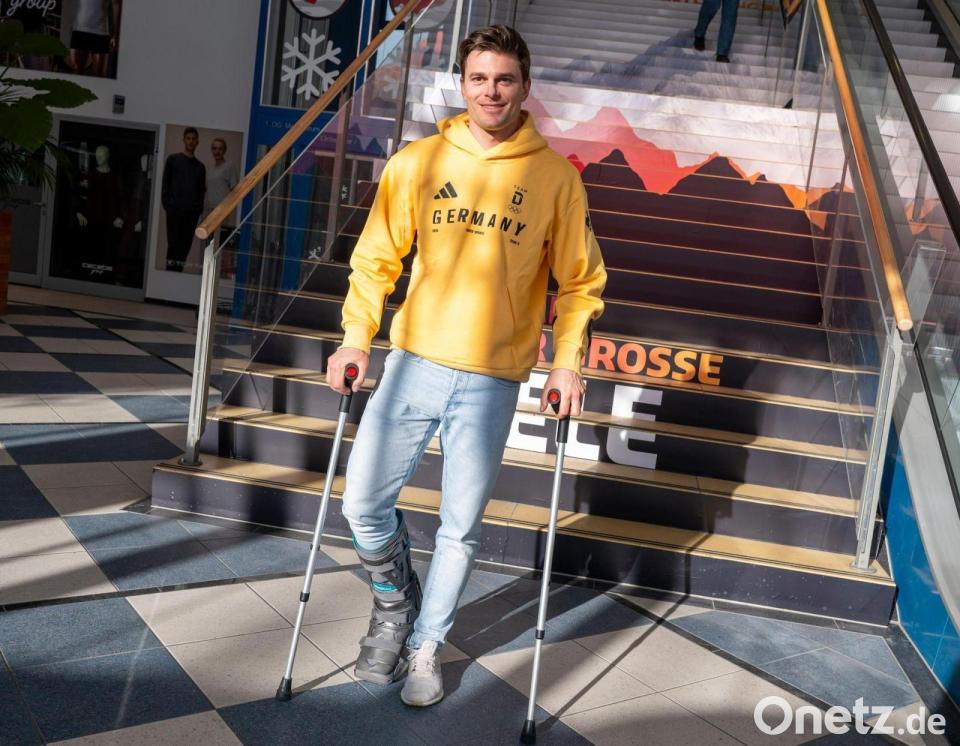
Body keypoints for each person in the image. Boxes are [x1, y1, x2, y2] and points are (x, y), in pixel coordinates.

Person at [325, 25, 606, 708]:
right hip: (414, 361)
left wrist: (567, 363)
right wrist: (356, 339)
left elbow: (580, 284)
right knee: (361, 503)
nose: (491, 91)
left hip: (492, 378)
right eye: (479, 78)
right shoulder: (417, 161)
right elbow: (375, 261)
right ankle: (394, 600)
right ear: (462, 83)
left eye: (504, 79)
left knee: (459, 527)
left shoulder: (556, 178)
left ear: (525, 87)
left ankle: (425, 646)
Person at [161, 127, 206, 272]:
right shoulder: (173, 160)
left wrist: (196, 211)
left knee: (184, 248)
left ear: (197, 142)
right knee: (173, 246)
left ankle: (177, 277)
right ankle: (169, 277)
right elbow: (165, 184)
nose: (191, 141)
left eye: (193, 139)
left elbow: (201, 191)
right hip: (174, 212)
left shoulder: (200, 167)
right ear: (184, 140)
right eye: (188, 138)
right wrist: (169, 206)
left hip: (191, 215)